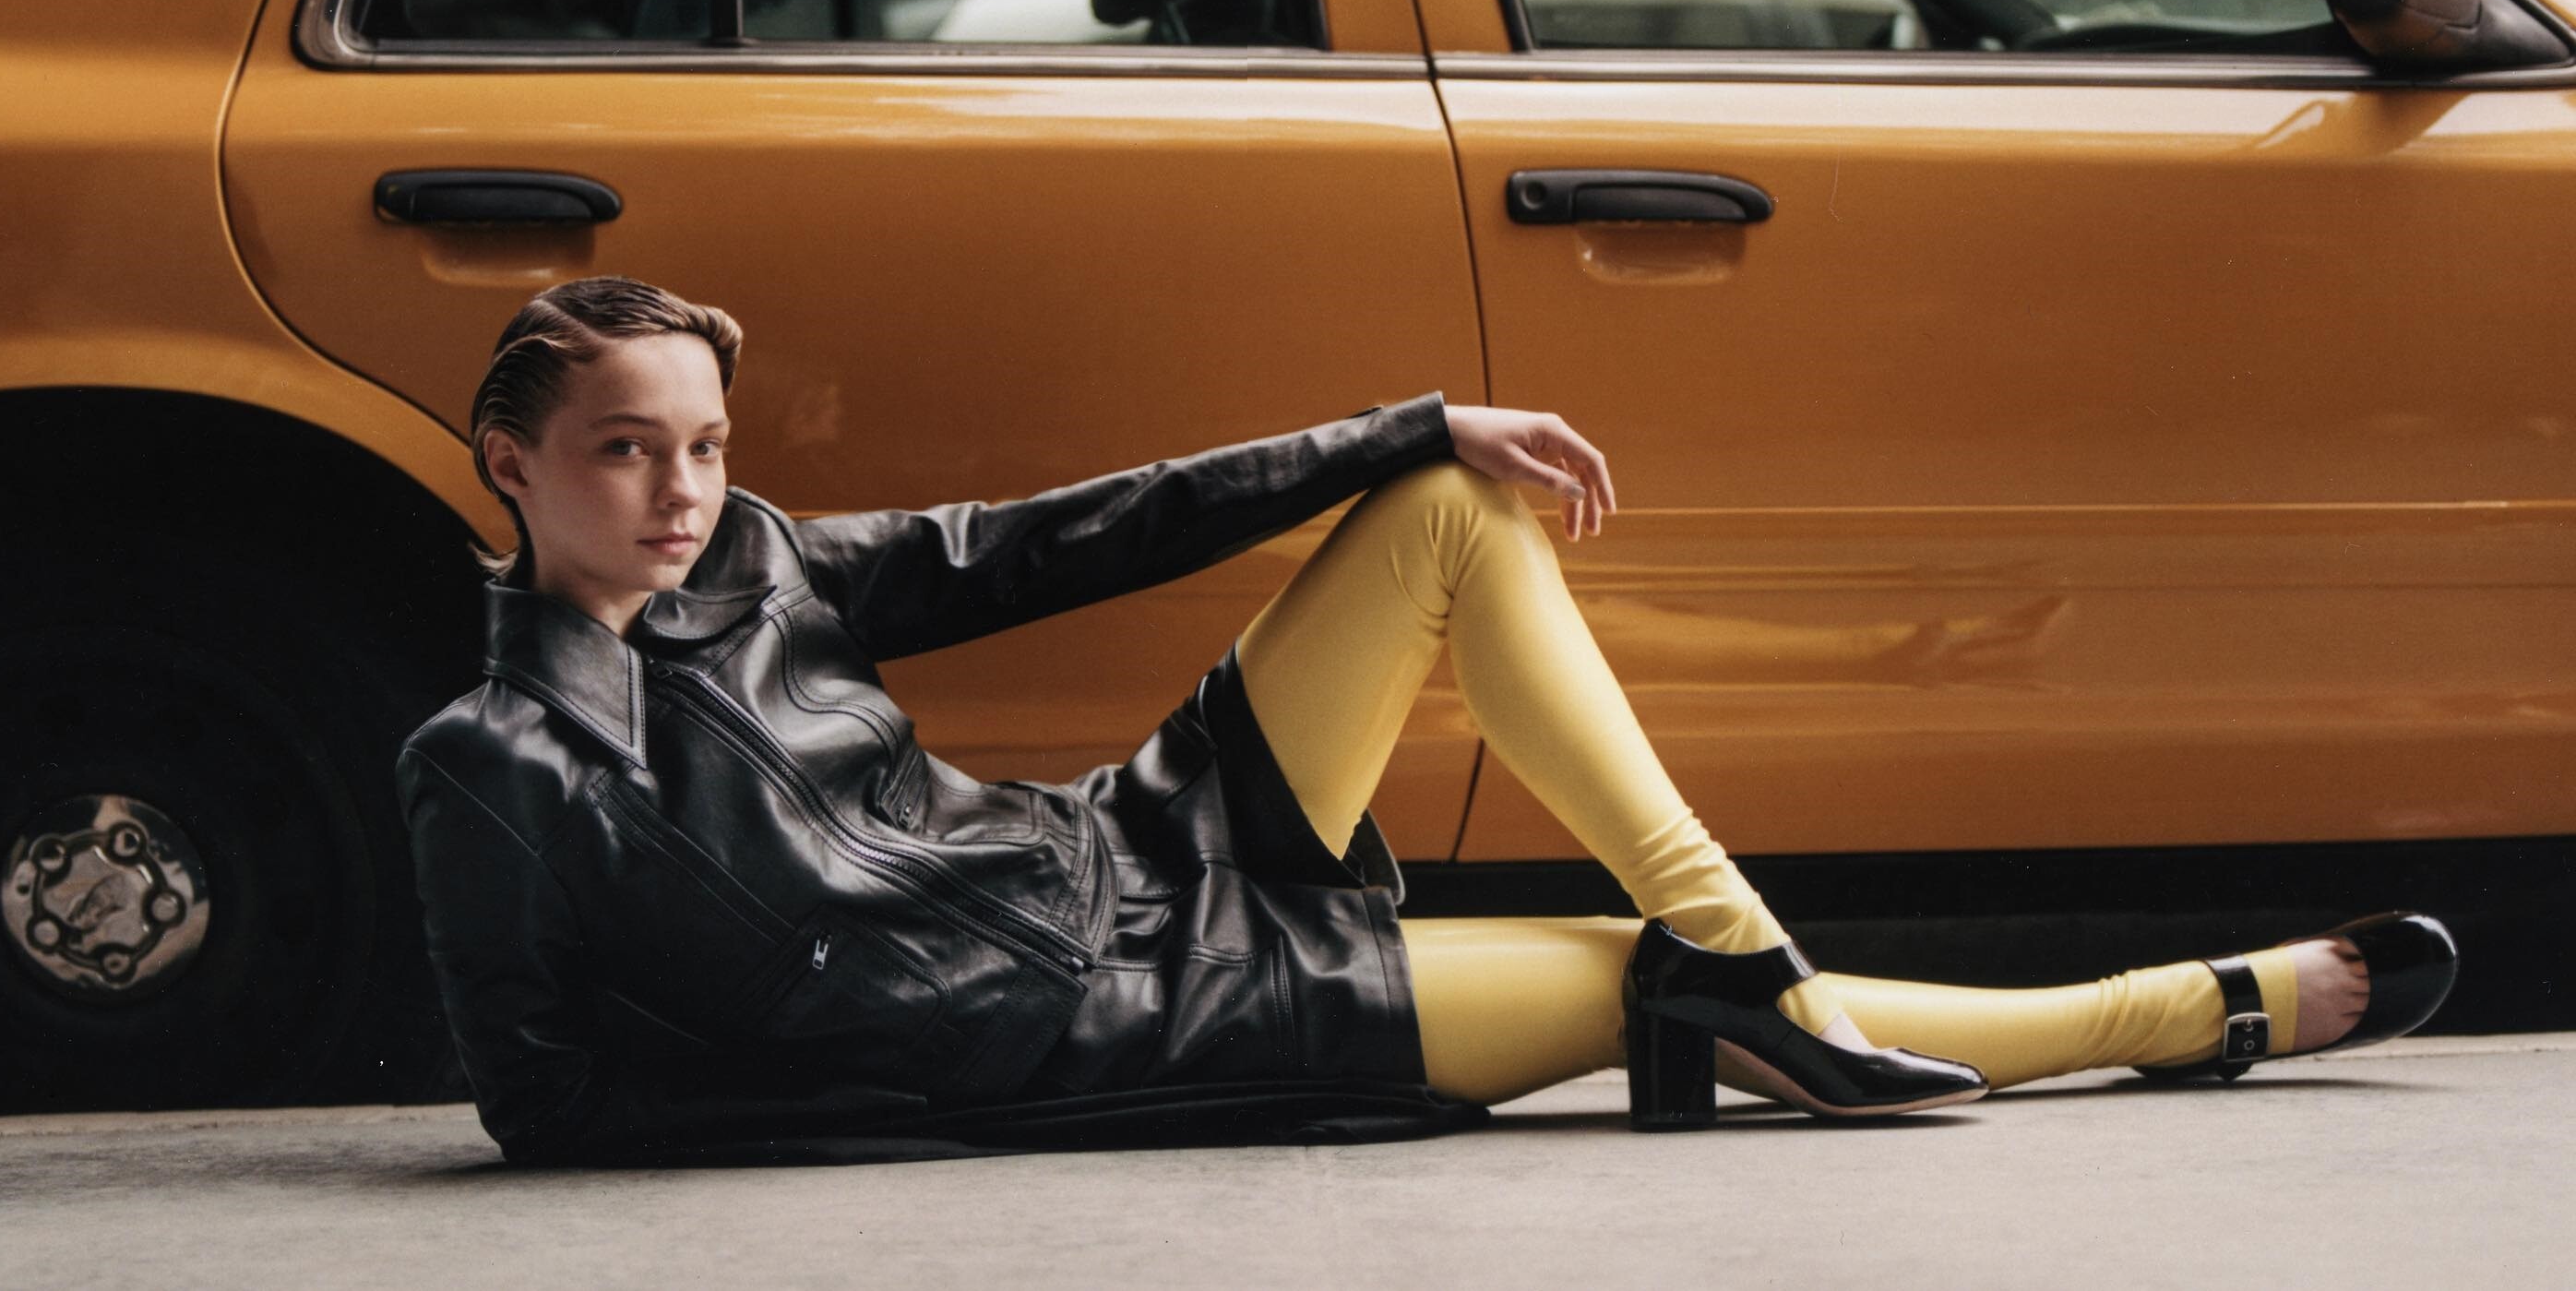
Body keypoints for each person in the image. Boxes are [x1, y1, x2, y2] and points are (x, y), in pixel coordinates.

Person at [397, 275, 2459, 1166]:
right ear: (509, 463)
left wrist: (1405, 422)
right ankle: (2180, 1010)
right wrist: (937, 1083)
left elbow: (1070, 533)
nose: (678, 491)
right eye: (623, 450)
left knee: (1451, 507)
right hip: (1125, 1024)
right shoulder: (500, 765)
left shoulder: (763, 561)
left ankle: (1739, 947)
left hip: (1137, 847)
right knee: (1633, 978)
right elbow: (553, 1109)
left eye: (702, 443)